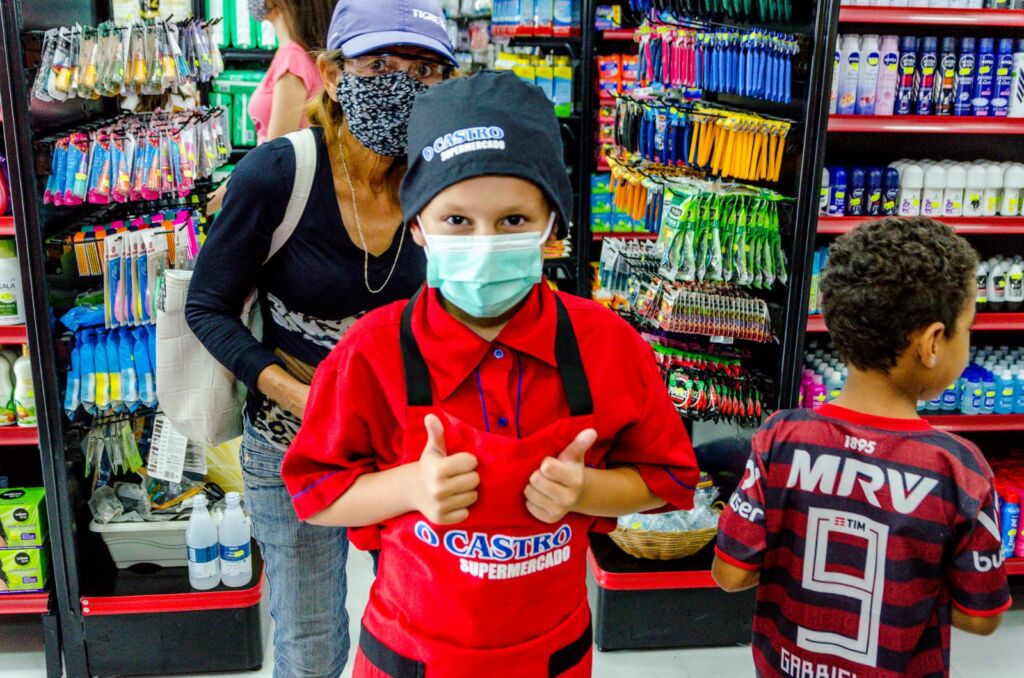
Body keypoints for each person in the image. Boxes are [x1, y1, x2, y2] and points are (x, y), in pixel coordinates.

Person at [282, 71, 701, 678]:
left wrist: (589, 491)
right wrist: (410, 488)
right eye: (457, 220)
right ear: (416, 224)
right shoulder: (370, 353)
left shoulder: (608, 346)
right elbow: (316, 495)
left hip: (553, 657)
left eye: (513, 221)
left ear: (552, 225)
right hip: (410, 658)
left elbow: (666, 478)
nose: (484, 243)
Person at [185, 1, 458, 675]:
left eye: (426, 69)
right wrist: (298, 395)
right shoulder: (278, 174)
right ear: (334, 75)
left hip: (406, 450)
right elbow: (209, 307)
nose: (404, 83)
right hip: (293, 446)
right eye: (380, 64)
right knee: (311, 645)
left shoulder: (445, 182)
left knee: (419, 631)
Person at [712, 217, 1011, 678]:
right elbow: (981, 616)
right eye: (967, 328)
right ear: (932, 342)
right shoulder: (957, 468)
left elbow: (730, 573)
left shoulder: (781, 437)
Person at [206, 0, 333, 214]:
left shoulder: (292, 58)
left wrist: (203, 207)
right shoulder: (299, 54)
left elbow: (273, 159)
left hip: (286, 205)